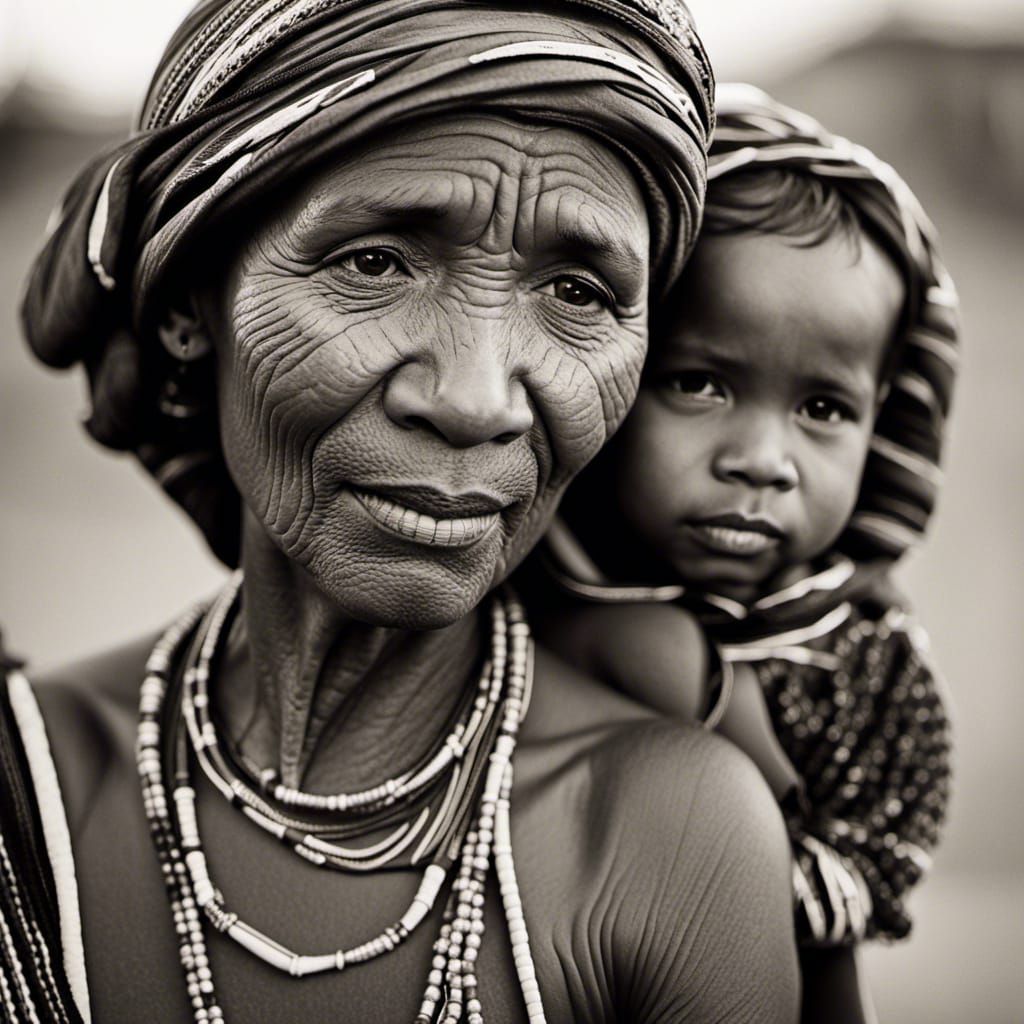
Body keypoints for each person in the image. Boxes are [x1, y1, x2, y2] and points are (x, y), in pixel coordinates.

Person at [4, 6, 800, 1023]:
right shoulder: (25, 783)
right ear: (191, 303)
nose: (475, 398)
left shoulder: (669, 838)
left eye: (576, 289)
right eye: (376, 262)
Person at [539, 84, 956, 1017]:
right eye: (698, 383)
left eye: (824, 408)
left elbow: (830, 946)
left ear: (889, 426)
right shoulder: (496, 587)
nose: (763, 462)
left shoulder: (861, 664)